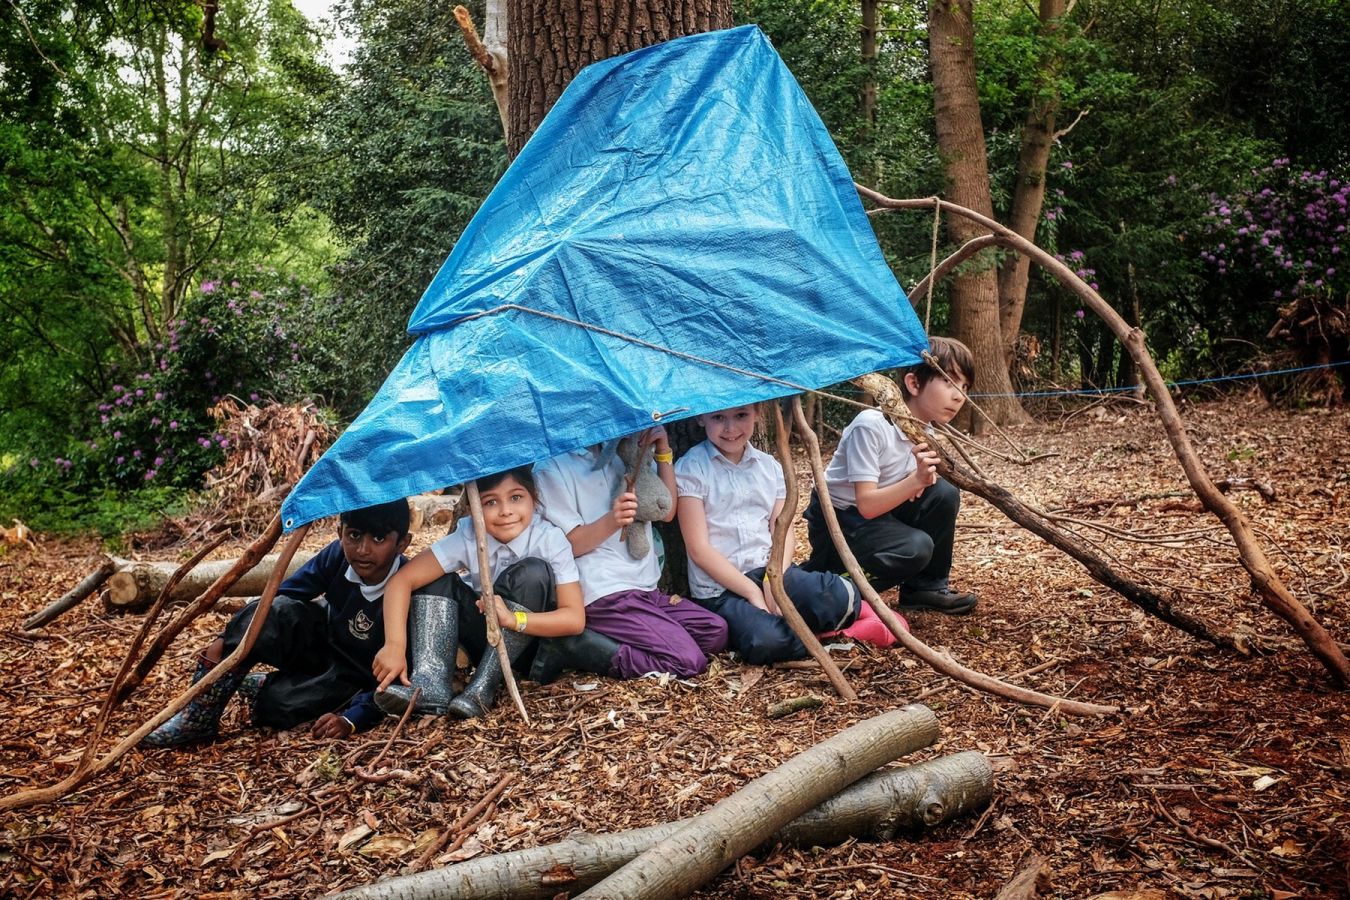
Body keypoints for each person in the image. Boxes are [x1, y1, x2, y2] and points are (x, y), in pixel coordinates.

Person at [142, 499, 413, 747]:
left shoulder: (413, 587)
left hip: (354, 675)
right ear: (339, 532)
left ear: (402, 543)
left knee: (276, 708)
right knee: (269, 613)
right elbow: (286, 594)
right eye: (353, 535)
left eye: (378, 538)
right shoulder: (338, 556)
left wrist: (353, 718)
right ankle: (199, 717)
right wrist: (234, 636)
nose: (363, 549)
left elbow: (402, 679)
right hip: (322, 644)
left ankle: (257, 685)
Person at [676, 403, 902, 664]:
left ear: (757, 414)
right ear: (701, 418)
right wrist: (753, 592)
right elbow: (699, 549)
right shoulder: (691, 469)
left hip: (770, 569)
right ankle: (832, 636)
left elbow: (782, 529)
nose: (730, 428)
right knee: (766, 641)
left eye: (741, 415)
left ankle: (847, 622)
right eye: (718, 417)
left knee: (834, 596)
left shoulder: (769, 466)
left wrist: (774, 580)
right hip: (720, 588)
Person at [373, 466, 584, 719]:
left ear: (534, 499)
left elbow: (574, 619)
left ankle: (483, 688)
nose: (506, 511)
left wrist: (514, 620)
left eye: (516, 498)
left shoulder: (549, 540)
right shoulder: (470, 536)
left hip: (528, 647)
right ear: (473, 509)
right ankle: (430, 684)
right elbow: (402, 581)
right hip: (483, 637)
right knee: (436, 579)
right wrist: (394, 645)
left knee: (532, 573)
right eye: (490, 502)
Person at [532, 427, 729, 680]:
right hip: (605, 592)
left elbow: (666, 512)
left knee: (715, 632)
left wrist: (662, 449)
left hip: (646, 587)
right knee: (688, 662)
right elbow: (571, 545)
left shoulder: (622, 448)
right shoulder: (551, 467)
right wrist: (613, 520)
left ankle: (612, 638)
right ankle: (580, 646)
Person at [803, 336, 979, 615]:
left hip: (879, 515)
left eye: (965, 386)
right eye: (949, 382)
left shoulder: (926, 430)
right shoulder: (871, 426)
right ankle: (835, 587)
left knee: (944, 492)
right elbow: (867, 505)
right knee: (915, 548)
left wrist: (920, 481)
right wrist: (916, 481)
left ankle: (925, 588)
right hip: (839, 522)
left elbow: (914, 490)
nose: (960, 395)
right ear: (913, 383)